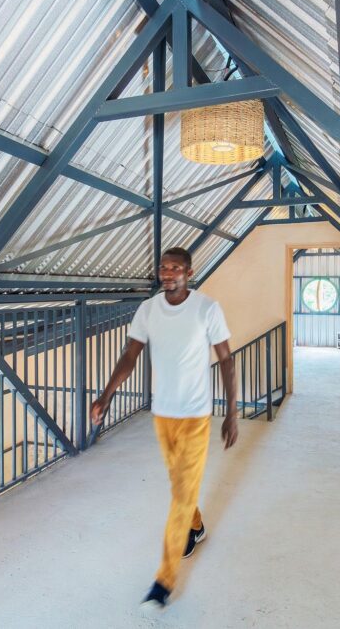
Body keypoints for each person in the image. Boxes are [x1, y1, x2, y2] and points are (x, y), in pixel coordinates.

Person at [90, 246, 237, 611]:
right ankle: (196, 526)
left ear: (189, 272)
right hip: (163, 416)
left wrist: (232, 412)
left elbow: (226, 360)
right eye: (163, 267)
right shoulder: (148, 310)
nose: (168, 273)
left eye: (175, 268)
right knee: (180, 486)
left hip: (196, 417)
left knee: (181, 496)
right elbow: (130, 355)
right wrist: (106, 395)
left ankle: (164, 580)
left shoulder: (207, 309)